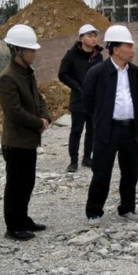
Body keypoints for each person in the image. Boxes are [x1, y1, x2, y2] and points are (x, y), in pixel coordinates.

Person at [82, 25, 138, 225]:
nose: (132, 50)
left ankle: (127, 208)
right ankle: (94, 211)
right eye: (128, 46)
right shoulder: (97, 72)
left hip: (130, 129)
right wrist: (100, 119)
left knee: (131, 172)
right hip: (107, 130)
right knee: (101, 172)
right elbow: (87, 100)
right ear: (116, 49)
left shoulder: (135, 72)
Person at [0, 24, 51, 241]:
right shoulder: (7, 77)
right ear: (18, 51)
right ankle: (13, 226)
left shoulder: (28, 73)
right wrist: (39, 123)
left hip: (28, 141)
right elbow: (15, 112)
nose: (34, 53)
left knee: (27, 182)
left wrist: (46, 117)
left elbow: (38, 98)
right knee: (15, 185)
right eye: (31, 50)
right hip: (16, 142)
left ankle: (23, 218)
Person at [58, 24, 105, 173]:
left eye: (95, 36)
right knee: (76, 131)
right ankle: (73, 161)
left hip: (94, 101)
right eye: (90, 36)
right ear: (81, 38)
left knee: (92, 131)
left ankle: (87, 158)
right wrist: (77, 87)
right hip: (78, 100)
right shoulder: (71, 55)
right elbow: (62, 74)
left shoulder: (98, 56)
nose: (93, 39)